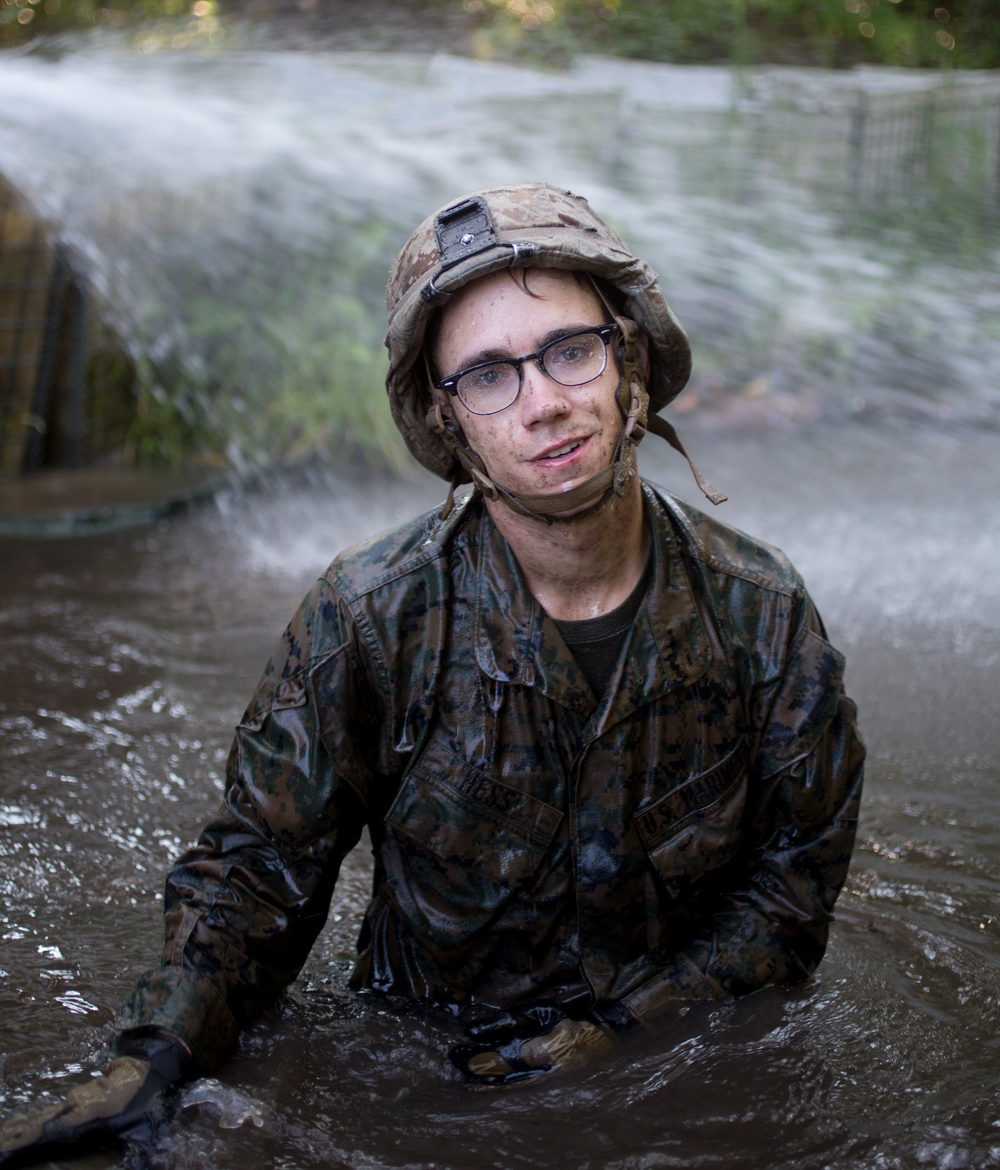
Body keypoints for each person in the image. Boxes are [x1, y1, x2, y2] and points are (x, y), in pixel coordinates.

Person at [0, 183, 864, 1165]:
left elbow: (792, 894)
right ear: (448, 422)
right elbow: (256, 875)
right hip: (421, 1084)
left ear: (629, 358)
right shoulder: (370, 616)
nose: (542, 403)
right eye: (488, 376)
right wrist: (151, 1059)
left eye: (569, 350)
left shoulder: (760, 611)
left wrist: (631, 1031)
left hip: (676, 1086)